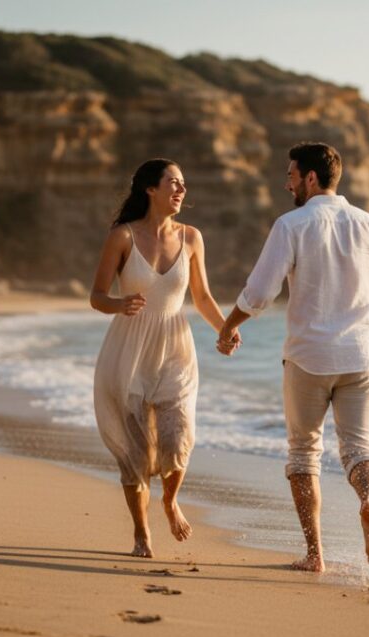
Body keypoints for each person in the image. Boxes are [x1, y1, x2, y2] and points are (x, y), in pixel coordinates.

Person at [216, 142, 369, 572]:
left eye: (291, 174)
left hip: (307, 357)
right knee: (360, 447)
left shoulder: (291, 225)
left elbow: (259, 293)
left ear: (310, 177)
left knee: (303, 453)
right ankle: (368, 500)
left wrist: (229, 325)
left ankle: (315, 555)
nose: (286, 182)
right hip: (362, 357)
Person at [91, 158, 239, 558]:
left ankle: (170, 501)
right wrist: (119, 304)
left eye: (184, 184)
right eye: (173, 183)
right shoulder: (122, 237)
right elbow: (97, 296)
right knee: (135, 453)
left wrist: (225, 329)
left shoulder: (191, 237)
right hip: (129, 349)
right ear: (150, 190)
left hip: (176, 347)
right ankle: (141, 533)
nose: (181, 190)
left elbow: (202, 297)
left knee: (178, 435)